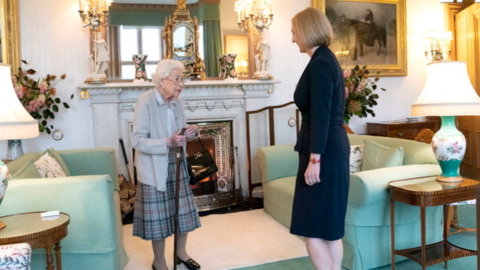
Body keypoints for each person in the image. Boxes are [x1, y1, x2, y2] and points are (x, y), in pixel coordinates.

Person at [290, 7, 349, 270]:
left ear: (306, 31)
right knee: (327, 223)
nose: (293, 39)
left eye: (294, 33)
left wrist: (315, 159)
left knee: (312, 224)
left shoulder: (321, 63)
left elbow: (322, 114)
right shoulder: (325, 59)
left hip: (322, 151)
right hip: (327, 148)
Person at [131, 59, 201, 270]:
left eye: (183, 79)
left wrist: (191, 130)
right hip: (154, 168)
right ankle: (159, 261)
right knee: (159, 219)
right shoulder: (146, 102)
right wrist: (167, 142)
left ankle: (181, 253)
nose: (181, 84)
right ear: (162, 81)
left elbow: (178, 132)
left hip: (177, 162)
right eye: (177, 79)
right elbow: (137, 140)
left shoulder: (176, 101)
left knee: (182, 213)